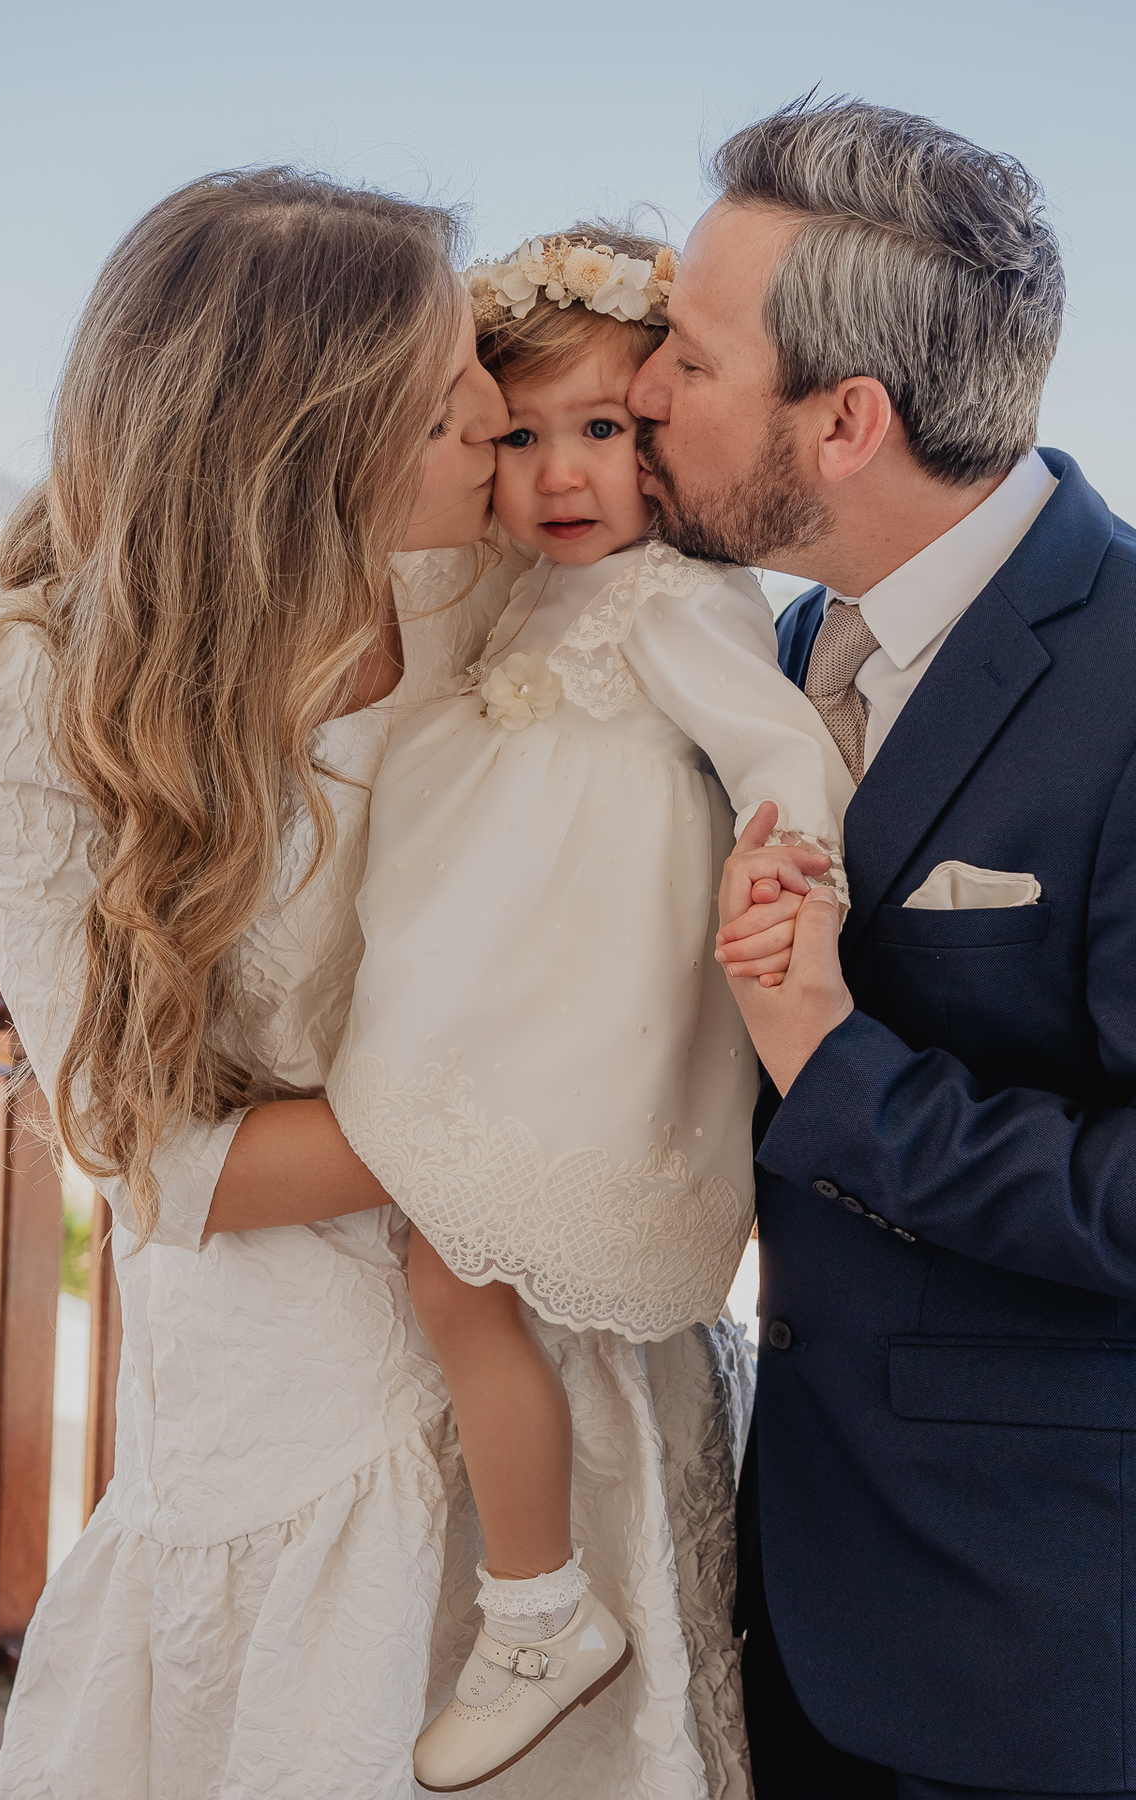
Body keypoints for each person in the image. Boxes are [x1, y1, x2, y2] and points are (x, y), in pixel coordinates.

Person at [0, 170, 749, 1800]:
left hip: (561, 1335)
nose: (492, 419)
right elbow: (159, 1162)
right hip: (297, 1394)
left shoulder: (492, 577)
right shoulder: (30, 682)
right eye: (446, 399)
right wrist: (538, 1104)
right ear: (303, 445)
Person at [633, 95, 1136, 1800]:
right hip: (801, 1591)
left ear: (847, 419)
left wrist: (838, 1068)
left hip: (1037, 1642)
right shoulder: (781, 649)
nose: (645, 392)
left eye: (691, 359)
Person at [329, 225, 852, 1791]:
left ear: (666, 436)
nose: (561, 474)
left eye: (606, 429)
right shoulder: (532, 596)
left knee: (448, 1272)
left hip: (590, 1021)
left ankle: (540, 1609)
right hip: (515, 997)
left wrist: (786, 875)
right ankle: (534, 1595)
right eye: (522, 435)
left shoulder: (673, 600)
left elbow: (780, 749)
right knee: (442, 1269)